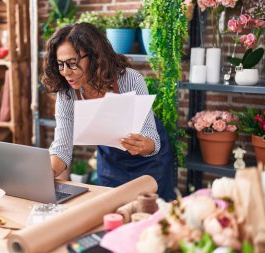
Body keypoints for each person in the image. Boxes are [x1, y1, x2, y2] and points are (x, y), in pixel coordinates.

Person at [41, 23, 175, 200]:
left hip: (150, 163)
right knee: (114, 217)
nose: (65, 72)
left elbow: (152, 137)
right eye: (60, 64)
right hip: (111, 163)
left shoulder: (130, 79)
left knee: (150, 218)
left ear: (94, 56)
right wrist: (43, 175)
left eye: (72, 63)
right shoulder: (66, 93)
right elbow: (62, 149)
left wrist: (144, 145)